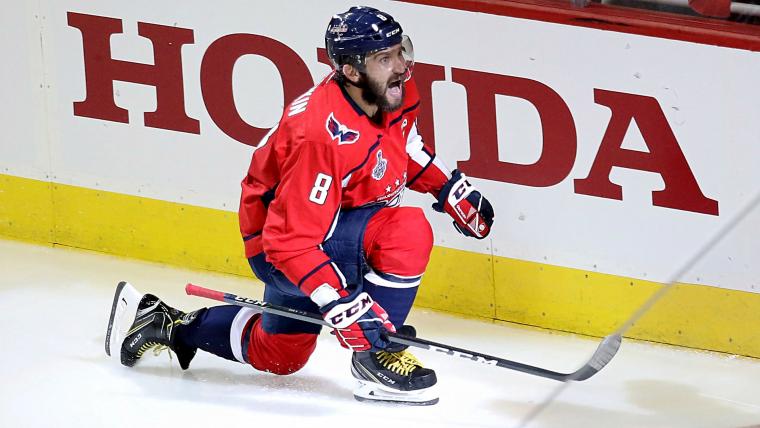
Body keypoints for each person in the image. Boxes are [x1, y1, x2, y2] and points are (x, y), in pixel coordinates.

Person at [105, 6, 494, 405]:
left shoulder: (390, 91)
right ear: (351, 71)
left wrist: (446, 188)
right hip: (285, 249)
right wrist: (342, 305)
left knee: (280, 357)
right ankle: (376, 355)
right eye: (385, 58)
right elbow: (289, 243)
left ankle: (166, 323)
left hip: (329, 231)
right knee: (407, 231)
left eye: (401, 51)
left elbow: (400, 145)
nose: (401, 66)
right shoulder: (320, 137)